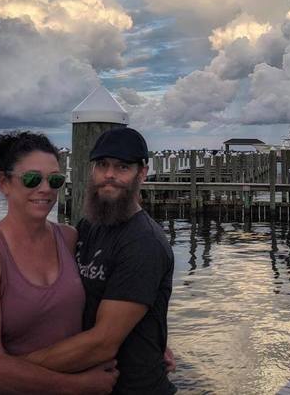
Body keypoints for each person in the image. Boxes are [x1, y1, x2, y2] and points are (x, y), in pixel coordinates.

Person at [0, 131, 119, 394]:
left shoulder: (69, 238)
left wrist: (152, 344)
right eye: (32, 179)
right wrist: (78, 385)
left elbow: (111, 295)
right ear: (4, 183)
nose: (45, 189)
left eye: (55, 180)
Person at [19, 127, 177, 394]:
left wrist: (10, 367)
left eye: (122, 167)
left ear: (142, 173)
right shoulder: (90, 225)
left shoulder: (144, 243)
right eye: (102, 165)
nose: (109, 175)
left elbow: (102, 343)